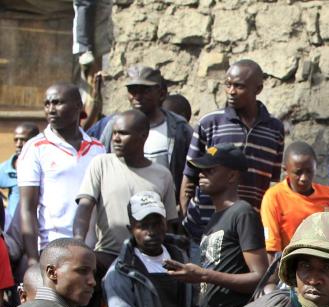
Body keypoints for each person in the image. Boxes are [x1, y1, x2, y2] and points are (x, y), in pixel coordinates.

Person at [164, 144, 268, 307]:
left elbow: (259, 276)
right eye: (200, 170)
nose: (201, 175)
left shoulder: (242, 213)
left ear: (232, 176)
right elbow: (208, 289)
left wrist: (201, 275)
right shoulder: (213, 220)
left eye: (210, 170)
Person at [180, 60, 284, 247]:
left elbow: (273, 183)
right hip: (205, 228)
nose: (231, 91)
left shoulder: (274, 129)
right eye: (228, 85)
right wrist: (188, 215)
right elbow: (189, 176)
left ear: (258, 89)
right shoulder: (210, 123)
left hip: (248, 231)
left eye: (239, 86)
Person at [102, 191, 199, 307]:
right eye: (143, 226)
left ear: (166, 224)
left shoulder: (183, 260)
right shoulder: (120, 272)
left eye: (156, 224)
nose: (151, 232)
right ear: (130, 229)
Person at [74, 109, 179, 264]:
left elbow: (169, 223)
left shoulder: (162, 175)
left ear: (143, 136)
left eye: (123, 133)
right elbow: (85, 206)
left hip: (147, 260)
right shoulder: (101, 164)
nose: (115, 138)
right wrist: (77, 242)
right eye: (114, 133)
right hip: (107, 255)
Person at [18, 83, 106, 266]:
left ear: (77, 106)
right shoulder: (35, 148)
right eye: (47, 104)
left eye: (57, 103)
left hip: (91, 249)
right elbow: (27, 208)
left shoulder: (98, 149)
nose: (50, 109)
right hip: (51, 248)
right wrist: (33, 259)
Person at [95, 65, 193, 194]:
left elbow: (192, 170)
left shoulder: (179, 128)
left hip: (163, 206)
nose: (137, 96)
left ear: (161, 93)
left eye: (144, 91)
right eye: (132, 90)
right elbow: (99, 162)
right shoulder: (114, 124)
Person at [260, 141, 329, 257]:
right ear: (286, 170)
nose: (304, 178)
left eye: (309, 171)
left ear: (316, 167)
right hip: (293, 264)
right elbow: (272, 248)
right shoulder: (274, 197)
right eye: (298, 173)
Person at [1, 123, 39, 235]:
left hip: (40, 230)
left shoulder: (46, 167)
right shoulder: (4, 169)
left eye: (23, 140)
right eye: (16, 140)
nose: (18, 144)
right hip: (14, 233)